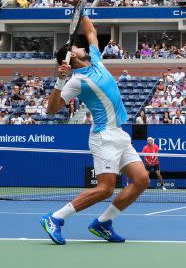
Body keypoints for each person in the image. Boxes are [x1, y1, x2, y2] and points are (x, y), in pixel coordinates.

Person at [40, 14, 149, 245]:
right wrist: (59, 81)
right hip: (103, 137)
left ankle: (103, 222)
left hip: (119, 134)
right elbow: (51, 110)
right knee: (105, 189)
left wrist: (82, 12)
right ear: (71, 58)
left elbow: (91, 33)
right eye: (76, 48)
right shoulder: (75, 81)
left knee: (141, 180)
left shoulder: (96, 59)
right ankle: (55, 218)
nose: (81, 47)